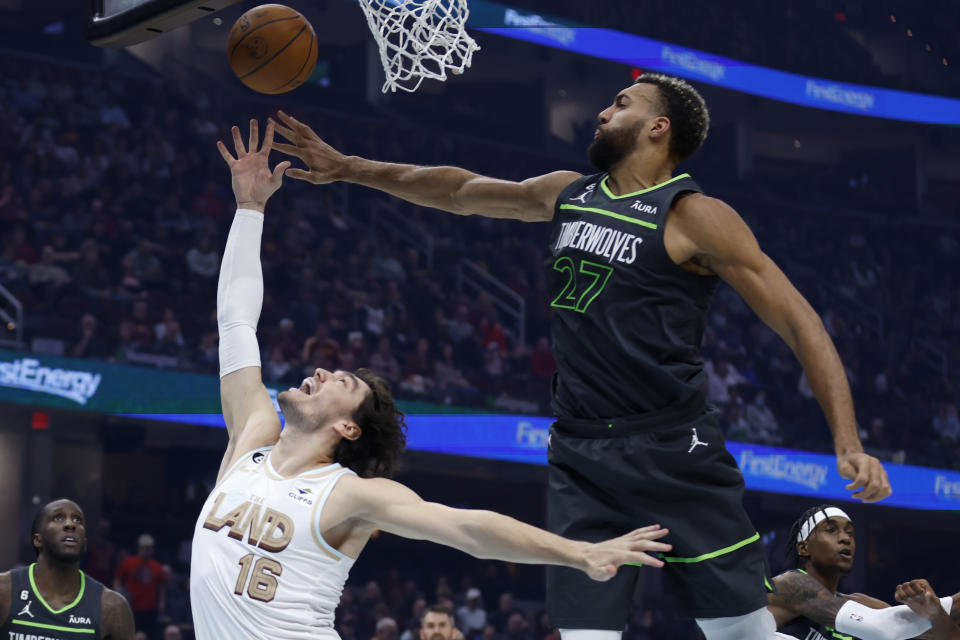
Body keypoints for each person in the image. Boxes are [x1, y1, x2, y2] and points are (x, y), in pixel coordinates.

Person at [268, 71, 892, 639]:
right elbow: (458, 189)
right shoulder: (570, 193)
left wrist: (847, 440)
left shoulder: (695, 216)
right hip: (580, 453)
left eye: (620, 104)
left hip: (674, 450)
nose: (600, 112)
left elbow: (801, 322)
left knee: (743, 636)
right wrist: (348, 166)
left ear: (658, 127)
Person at [188, 120, 673, 640]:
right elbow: (236, 321)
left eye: (342, 382)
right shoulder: (249, 439)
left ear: (349, 429)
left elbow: (466, 528)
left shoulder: (349, 495)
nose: (323, 370)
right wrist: (250, 208)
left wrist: (580, 553)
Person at [767, 505, 959, 640]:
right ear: (804, 548)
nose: (845, 538)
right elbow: (884, 627)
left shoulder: (860, 603)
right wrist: (934, 610)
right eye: (831, 530)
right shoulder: (791, 585)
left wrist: (933, 609)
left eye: (850, 533)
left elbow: (931, 627)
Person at [0, 498, 135, 639]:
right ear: (37, 540)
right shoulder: (4, 591)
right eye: (58, 518)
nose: (70, 524)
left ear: (85, 542)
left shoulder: (113, 607)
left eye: (77, 520)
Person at [114, 533, 167, 638]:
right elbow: (117, 579)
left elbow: (162, 587)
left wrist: (162, 602)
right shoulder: (128, 562)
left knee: (149, 634)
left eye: (149, 548)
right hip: (130, 607)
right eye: (145, 548)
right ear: (139, 548)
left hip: (149, 608)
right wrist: (117, 595)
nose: (147, 551)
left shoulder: (157, 567)